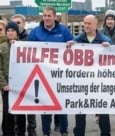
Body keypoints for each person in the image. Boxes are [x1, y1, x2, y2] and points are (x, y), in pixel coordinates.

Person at [28, 6, 73, 136]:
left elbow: (74, 46)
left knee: (61, 104)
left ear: (55, 17)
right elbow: (27, 49)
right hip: (43, 74)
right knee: (45, 105)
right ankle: (46, 132)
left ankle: (63, 131)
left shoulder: (64, 30)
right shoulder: (35, 32)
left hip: (60, 75)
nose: (46, 18)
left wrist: (72, 43)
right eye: (44, 16)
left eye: (49, 16)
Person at [72, 14, 112, 136]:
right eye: (85, 23)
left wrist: (109, 48)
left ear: (96, 25)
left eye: (89, 23)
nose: (86, 26)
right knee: (80, 112)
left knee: (103, 112)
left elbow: (114, 60)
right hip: (82, 82)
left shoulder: (105, 40)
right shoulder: (77, 40)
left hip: (99, 83)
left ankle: (105, 133)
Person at [11, 14, 37, 136]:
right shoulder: (8, 40)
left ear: (24, 24)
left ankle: (32, 129)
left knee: (31, 106)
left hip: (30, 77)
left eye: (18, 23)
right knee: (18, 108)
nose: (16, 25)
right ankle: (19, 131)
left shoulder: (31, 38)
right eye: (14, 23)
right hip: (15, 80)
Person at [0, 21, 20, 136]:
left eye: (12, 30)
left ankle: (21, 132)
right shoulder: (2, 47)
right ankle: (8, 133)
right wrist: (3, 84)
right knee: (8, 113)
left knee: (20, 113)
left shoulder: (24, 46)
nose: (10, 33)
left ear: (17, 32)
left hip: (20, 86)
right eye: (8, 30)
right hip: (7, 86)